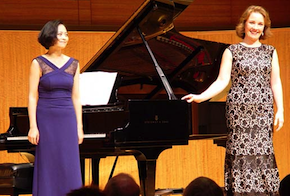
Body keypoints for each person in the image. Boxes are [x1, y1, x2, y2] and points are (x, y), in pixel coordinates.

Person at [182, 5, 284, 196]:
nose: (255, 27)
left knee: (262, 151)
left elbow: (275, 83)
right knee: (241, 153)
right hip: (238, 111)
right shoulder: (232, 51)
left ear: (264, 28)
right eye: (252, 22)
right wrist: (201, 96)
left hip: (263, 112)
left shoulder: (270, 51)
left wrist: (281, 111)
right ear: (244, 24)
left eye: (260, 24)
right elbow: (221, 81)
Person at [28, 20, 84, 196]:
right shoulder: (38, 63)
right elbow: (31, 96)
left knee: (69, 164)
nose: (65, 37)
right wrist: (33, 126)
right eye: (60, 34)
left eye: (66, 34)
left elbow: (76, 97)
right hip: (46, 119)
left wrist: (79, 127)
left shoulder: (74, 64)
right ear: (49, 35)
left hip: (67, 118)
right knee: (49, 164)